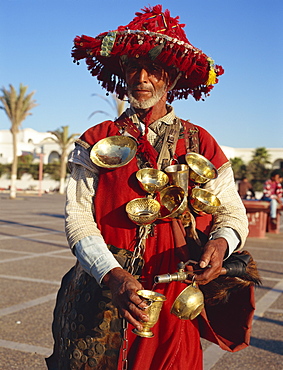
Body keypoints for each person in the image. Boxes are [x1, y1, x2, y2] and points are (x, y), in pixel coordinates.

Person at [47, 5, 255, 370]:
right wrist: (111, 276)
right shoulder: (96, 141)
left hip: (175, 297)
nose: (141, 78)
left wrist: (220, 245)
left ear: (171, 77)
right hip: (106, 291)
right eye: (132, 68)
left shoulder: (201, 143)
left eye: (153, 69)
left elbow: (232, 211)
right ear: (122, 74)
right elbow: (77, 217)